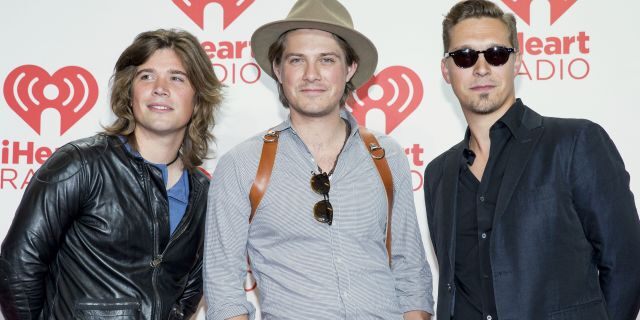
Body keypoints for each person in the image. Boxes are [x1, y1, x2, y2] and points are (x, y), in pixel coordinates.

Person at [203, 0, 434, 319]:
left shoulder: (386, 155)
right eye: (297, 60)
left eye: (327, 60)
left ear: (350, 68)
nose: (312, 75)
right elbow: (223, 288)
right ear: (278, 69)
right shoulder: (242, 164)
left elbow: (411, 272)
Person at [423, 1, 640, 319]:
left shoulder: (574, 142)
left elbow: (627, 264)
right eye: (465, 56)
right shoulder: (438, 174)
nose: (481, 68)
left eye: (496, 54)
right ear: (446, 69)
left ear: (517, 62)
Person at [0, 29, 222, 319]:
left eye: (177, 78)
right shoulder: (80, 165)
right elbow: (17, 267)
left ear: (198, 98)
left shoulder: (203, 191)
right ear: (129, 93)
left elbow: (192, 286)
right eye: (146, 76)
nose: (160, 87)